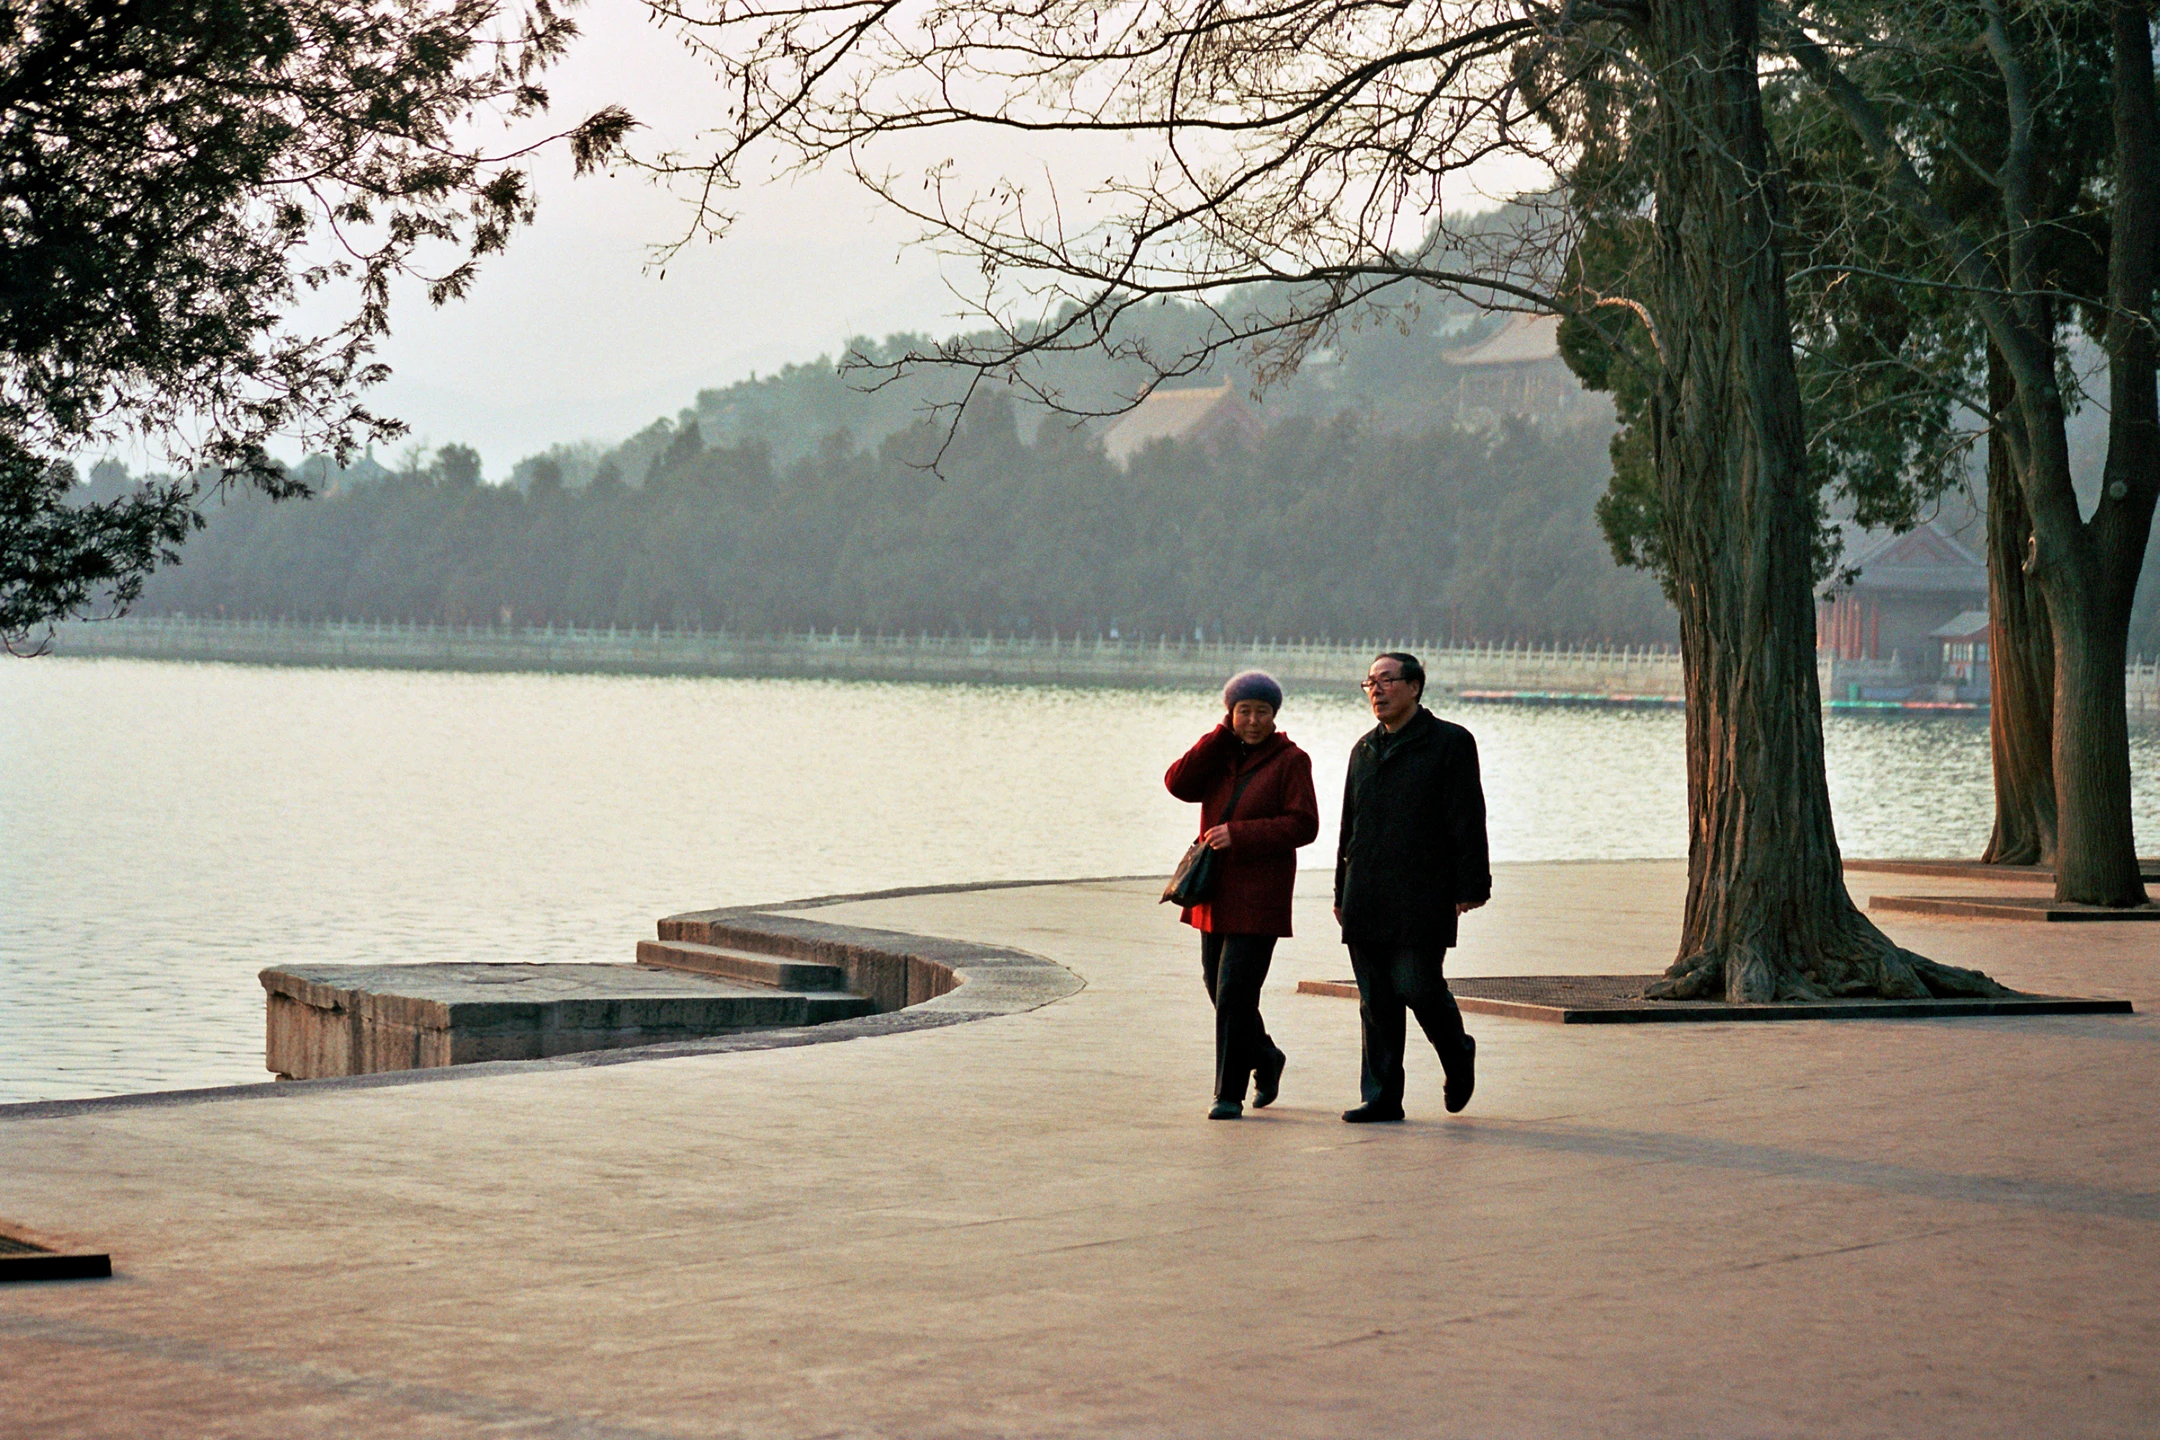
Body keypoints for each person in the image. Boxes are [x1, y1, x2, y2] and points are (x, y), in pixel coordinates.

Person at [1333, 651, 1491, 1122]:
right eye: (1370, 683)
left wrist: (1471, 884)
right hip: (1366, 892)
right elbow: (1349, 825)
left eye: (1387, 680)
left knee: (1417, 985)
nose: (1376, 690)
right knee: (1376, 999)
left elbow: (1467, 817)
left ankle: (1457, 1051)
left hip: (1423, 891)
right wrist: (1342, 889)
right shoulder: (1363, 749)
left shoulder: (1449, 743)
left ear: (1415, 687)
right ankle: (1382, 1097)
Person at [1164, 670, 1321, 1120]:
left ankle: (1227, 1093)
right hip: (1212, 891)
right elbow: (1177, 784)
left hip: (1260, 896)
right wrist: (1218, 735)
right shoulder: (1219, 753)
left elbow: (1303, 825)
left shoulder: (1292, 760)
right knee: (1218, 989)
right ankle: (1267, 1055)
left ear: (1275, 715)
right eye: (1243, 711)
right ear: (1230, 713)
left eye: (1262, 712)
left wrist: (1239, 833)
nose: (1253, 721)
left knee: (1234, 993)